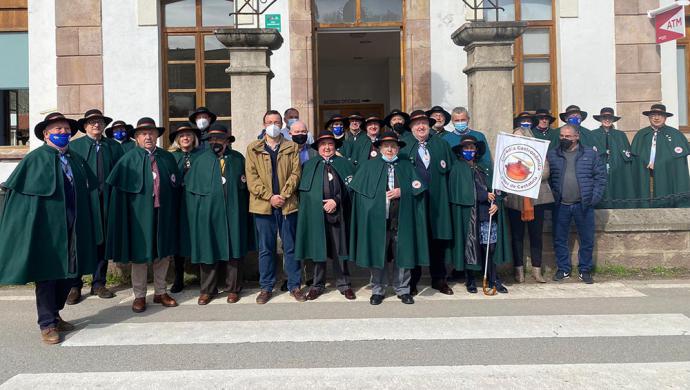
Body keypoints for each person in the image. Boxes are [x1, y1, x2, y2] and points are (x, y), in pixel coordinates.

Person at [0, 112, 102, 344]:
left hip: (73, 225)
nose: (63, 133)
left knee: (69, 272)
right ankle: (47, 324)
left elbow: (88, 189)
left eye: (66, 129)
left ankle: (55, 314)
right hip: (47, 229)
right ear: (46, 135)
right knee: (47, 274)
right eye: (57, 130)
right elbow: (20, 199)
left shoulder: (75, 159)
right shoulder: (34, 159)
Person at [106, 117, 181, 313]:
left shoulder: (167, 158)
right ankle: (139, 295)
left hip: (162, 213)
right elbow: (119, 194)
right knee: (140, 256)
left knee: (163, 253)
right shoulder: (128, 159)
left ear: (157, 135)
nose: (148, 136)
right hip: (139, 217)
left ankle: (160, 291)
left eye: (151, 133)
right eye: (143, 134)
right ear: (137, 138)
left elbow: (175, 188)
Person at [349, 131, 429, 305]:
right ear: (380, 148)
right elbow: (360, 196)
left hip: (401, 219)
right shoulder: (369, 167)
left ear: (398, 148)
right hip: (378, 220)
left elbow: (419, 188)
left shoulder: (407, 166)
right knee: (379, 254)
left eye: (393, 146)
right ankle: (378, 289)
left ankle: (403, 289)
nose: (390, 149)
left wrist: (403, 191)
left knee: (404, 254)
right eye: (386, 146)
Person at [185, 124, 253, 305]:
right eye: (212, 139)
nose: (216, 142)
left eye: (220, 139)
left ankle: (233, 289)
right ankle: (207, 290)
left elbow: (246, 188)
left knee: (234, 251)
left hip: (233, 213)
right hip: (208, 215)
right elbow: (191, 192)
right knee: (208, 249)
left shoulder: (238, 159)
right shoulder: (200, 161)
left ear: (227, 141)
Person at [246, 110, 304, 304]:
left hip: (287, 205)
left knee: (291, 247)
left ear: (282, 124)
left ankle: (294, 285)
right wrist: (270, 197)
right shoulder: (253, 148)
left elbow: (296, 174)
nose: (273, 125)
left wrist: (284, 195)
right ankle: (266, 287)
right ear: (264, 125)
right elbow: (252, 179)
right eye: (269, 122)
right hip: (263, 206)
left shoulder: (291, 147)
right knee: (266, 248)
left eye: (276, 122)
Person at [66, 109, 121, 304]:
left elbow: (120, 172)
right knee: (79, 240)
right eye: (92, 122)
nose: (96, 124)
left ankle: (99, 282)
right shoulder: (74, 146)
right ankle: (74, 285)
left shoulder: (113, 146)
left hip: (106, 200)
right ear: (85, 126)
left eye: (99, 121)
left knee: (102, 241)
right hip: (83, 200)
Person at [295, 130, 356, 301]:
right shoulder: (309, 165)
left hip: (339, 213)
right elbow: (304, 194)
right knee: (318, 250)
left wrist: (336, 201)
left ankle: (344, 284)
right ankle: (317, 285)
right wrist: (317, 205)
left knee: (340, 249)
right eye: (323, 145)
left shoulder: (345, 164)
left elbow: (350, 188)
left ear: (335, 146)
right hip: (316, 215)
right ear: (318, 148)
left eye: (330, 144)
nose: (327, 147)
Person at [399, 110, 454, 295]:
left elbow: (452, 172)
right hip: (415, 204)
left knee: (437, 241)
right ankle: (412, 281)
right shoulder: (404, 147)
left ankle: (439, 279)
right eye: (416, 124)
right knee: (415, 240)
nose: (421, 126)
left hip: (439, 202)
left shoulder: (441, 144)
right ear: (411, 127)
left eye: (424, 123)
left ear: (429, 125)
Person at [448, 135, 511, 294]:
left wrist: (496, 202)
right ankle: (470, 279)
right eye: (466, 148)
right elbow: (460, 192)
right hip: (469, 215)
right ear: (461, 150)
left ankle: (493, 278)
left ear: (476, 150)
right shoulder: (457, 168)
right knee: (470, 246)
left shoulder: (484, 168)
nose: (469, 151)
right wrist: (483, 195)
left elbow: (496, 188)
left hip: (487, 214)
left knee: (489, 247)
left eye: (472, 148)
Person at [547, 124, 607, 284]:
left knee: (587, 240)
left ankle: (585, 270)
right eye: (562, 136)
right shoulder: (553, 155)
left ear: (576, 136)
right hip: (561, 205)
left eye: (568, 136)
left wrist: (593, 198)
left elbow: (600, 178)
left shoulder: (591, 154)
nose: (564, 139)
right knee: (559, 239)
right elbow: (547, 177)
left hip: (583, 205)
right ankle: (563, 269)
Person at [505, 113, 554, 283]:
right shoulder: (508, 154)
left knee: (536, 235)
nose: (518, 140)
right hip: (514, 199)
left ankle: (537, 270)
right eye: (515, 137)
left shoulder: (538, 151)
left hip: (536, 199)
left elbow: (546, 171)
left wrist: (526, 174)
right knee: (517, 236)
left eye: (521, 137)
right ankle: (518, 270)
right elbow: (503, 173)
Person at [630, 104, 690, 208]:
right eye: (653, 115)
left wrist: (661, 163)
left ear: (665, 118)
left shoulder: (675, 134)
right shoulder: (641, 134)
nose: (656, 118)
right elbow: (636, 159)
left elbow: (678, 164)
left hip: (667, 176)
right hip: (647, 176)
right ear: (649, 117)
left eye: (660, 115)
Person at [167, 123, 203, 293]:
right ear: (177, 140)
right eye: (181, 136)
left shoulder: (202, 155)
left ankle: (205, 278)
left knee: (200, 237)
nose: (185, 138)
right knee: (179, 239)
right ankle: (178, 278)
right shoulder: (171, 157)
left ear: (194, 138)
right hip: (177, 204)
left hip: (198, 203)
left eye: (188, 135)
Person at [590, 107, 636, 209]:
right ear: (600, 119)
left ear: (613, 120)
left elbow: (627, 154)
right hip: (600, 169)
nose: (607, 120)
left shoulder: (620, 135)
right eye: (604, 117)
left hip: (618, 169)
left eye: (609, 118)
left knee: (618, 188)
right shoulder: (593, 134)